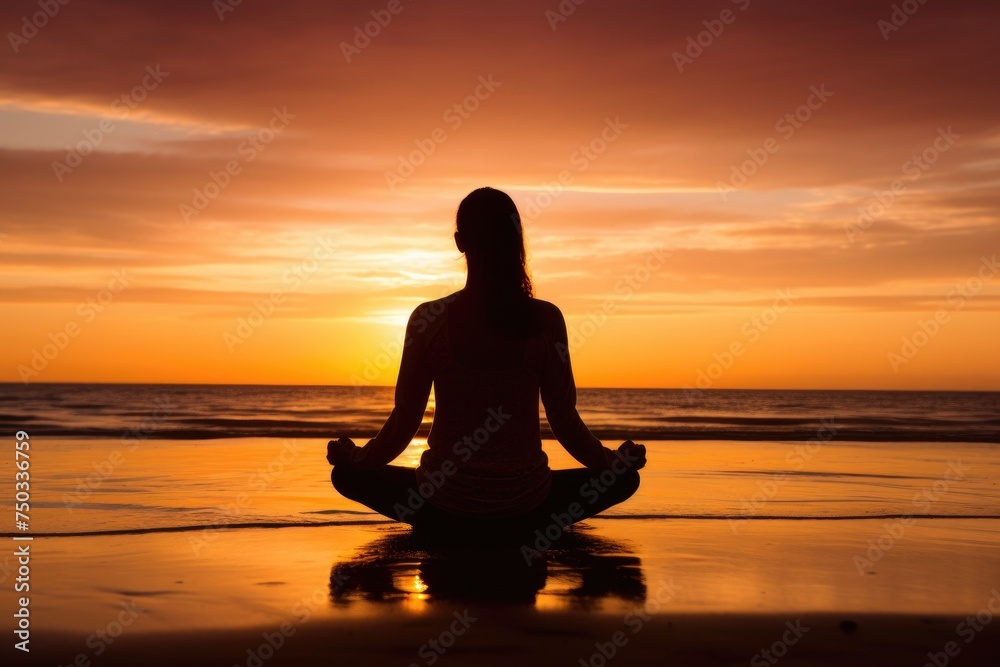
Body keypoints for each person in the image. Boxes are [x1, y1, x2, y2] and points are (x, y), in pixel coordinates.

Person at [327, 187, 645, 538]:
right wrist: (615, 463)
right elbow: (565, 422)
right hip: (529, 508)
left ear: (460, 242)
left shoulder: (426, 319)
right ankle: (515, 527)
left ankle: (456, 527)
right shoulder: (546, 320)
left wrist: (356, 461)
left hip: (440, 506)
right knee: (627, 480)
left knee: (343, 476)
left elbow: (404, 423)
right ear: (515, 239)